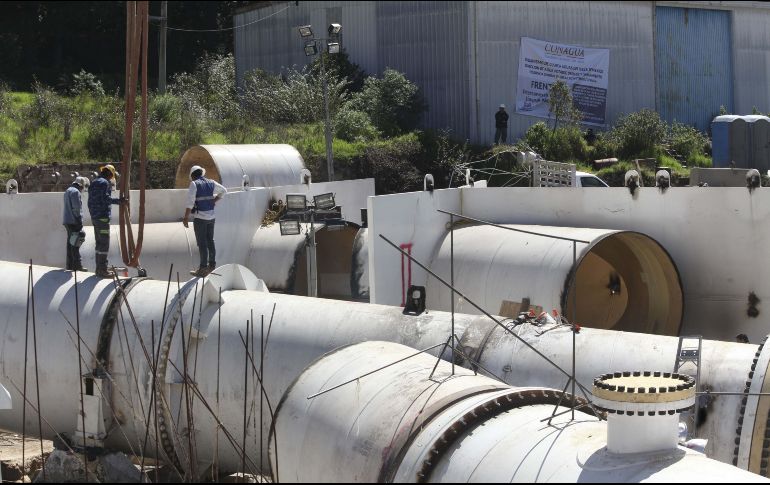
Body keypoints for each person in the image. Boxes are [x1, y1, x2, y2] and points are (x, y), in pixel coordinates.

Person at [182, 165, 227, 277]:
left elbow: (190, 203)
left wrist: (186, 218)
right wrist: (214, 201)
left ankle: (202, 268)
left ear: (193, 176)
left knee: (202, 243)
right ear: (201, 173)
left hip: (200, 219)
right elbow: (224, 190)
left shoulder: (194, 184)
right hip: (211, 218)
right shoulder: (211, 182)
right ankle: (211, 265)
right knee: (210, 241)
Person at [87, 164, 123, 278]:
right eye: (111, 176)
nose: (110, 179)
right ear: (109, 174)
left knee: (99, 243)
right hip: (102, 217)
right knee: (104, 244)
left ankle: (99, 269)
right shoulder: (104, 183)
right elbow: (105, 198)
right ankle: (102, 270)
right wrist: (120, 201)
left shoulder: (93, 182)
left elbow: (91, 201)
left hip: (95, 217)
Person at [63, 177, 88, 271]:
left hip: (67, 221)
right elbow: (76, 208)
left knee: (70, 244)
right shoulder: (75, 192)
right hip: (74, 221)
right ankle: (77, 265)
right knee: (76, 242)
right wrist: (79, 221)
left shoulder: (67, 191)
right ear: (81, 185)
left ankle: (69, 265)